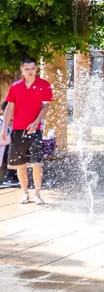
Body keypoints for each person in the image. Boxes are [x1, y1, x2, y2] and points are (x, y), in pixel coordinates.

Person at [0, 57, 53, 204]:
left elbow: (46, 106)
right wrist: (4, 129)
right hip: (17, 129)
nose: (30, 72)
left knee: (37, 163)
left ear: (37, 68)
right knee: (20, 164)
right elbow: (10, 108)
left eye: (33, 68)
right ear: (22, 70)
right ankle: (25, 193)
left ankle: (37, 193)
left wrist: (36, 122)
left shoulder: (44, 85)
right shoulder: (15, 86)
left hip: (35, 130)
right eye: (27, 69)